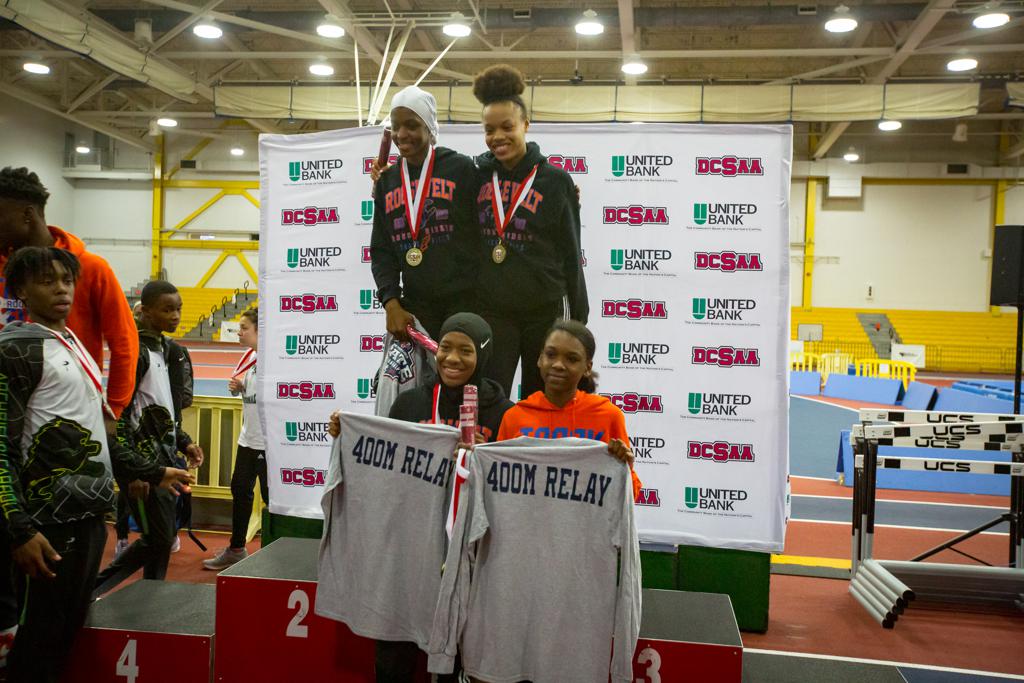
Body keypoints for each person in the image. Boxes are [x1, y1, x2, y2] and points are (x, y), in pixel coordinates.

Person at [0, 247, 193, 682]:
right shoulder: (15, 350)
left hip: (88, 515)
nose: (61, 288)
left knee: (70, 631)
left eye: (67, 280)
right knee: (37, 638)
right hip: (45, 525)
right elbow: (0, 448)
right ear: (21, 291)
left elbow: (101, 432)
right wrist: (19, 529)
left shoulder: (72, 344)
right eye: (47, 281)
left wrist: (151, 471)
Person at [329, 312, 513, 682]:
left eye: (466, 350)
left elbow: (513, 487)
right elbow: (381, 464)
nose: (452, 359)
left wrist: (483, 457)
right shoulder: (411, 404)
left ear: (484, 355)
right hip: (410, 546)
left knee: (457, 651)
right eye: (445, 347)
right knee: (395, 648)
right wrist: (345, 432)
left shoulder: (504, 412)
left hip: (466, 552)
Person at [470, 65, 589, 400]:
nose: (498, 137)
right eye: (489, 130)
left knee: (542, 397)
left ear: (525, 125)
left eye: (507, 127)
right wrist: (384, 179)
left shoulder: (555, 181)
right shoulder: (477, 176)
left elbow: (571, 252)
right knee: (492, 395)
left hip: (544, 308)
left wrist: (578, 322)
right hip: (494, 310)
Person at [93, 281, 204, 597]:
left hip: (165, 460)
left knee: (163, 536)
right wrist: (132, 474)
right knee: (158, 537)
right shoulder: (134, 353)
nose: (175, 315)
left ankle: (153, 595)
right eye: (167, 309)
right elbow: (120, 416)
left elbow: (165, 411)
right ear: (145, 311)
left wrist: (184, 442)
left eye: (178, 308)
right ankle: (94, 590)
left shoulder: (169, 351)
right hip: (143, 464)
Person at [371, 86, 482, 341]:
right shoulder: (387, 181)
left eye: (411, 125)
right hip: (414, 307)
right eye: (396, 126)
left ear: (429, 128)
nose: (401, 134)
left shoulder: (460, 168)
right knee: (416, 381)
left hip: (466, 303)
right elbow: (381, 250)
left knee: (460, 378)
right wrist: (391, 302)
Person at [497, 319, 641, 501]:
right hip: (530, 527)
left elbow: (630, 496)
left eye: (571, 359)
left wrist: (625, 467)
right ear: (540, 359)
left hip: (585, 528)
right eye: (551, 355)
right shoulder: (515, 416)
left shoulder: (607, 415)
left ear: (587, 368)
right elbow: (499, 486)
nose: (558, 364)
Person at [203, 307, 266, 571]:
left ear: (260, 331)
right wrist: (238, 388)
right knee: (240, 491)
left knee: (273, 501)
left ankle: (274, 553)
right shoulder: (249, 358)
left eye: (244, 328)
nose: (238, 332)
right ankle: (237, 548)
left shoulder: (274, 361)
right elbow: (248, 394)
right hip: (247, 439)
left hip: (269, 444)